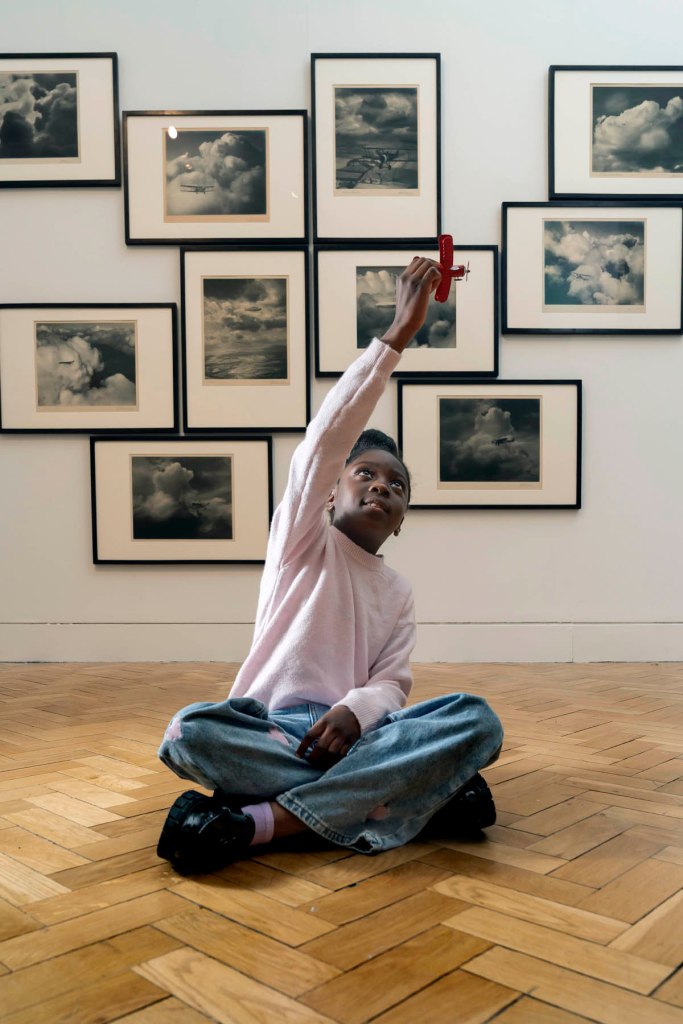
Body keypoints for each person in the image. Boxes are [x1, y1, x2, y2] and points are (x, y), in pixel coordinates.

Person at [157, 257, 504, 875]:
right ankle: (398, 801)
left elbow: (392, 685)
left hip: (359, 736)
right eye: (364, 474)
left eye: (397, 485)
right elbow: (323, 441)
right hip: (268, 733)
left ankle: (261, 821)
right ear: (328, 493)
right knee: (189, 731)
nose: (381, 487)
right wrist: (395, 337)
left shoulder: (397, 591)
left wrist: (355, 711)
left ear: (402, 516)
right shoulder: (300, 539)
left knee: (476, 719)